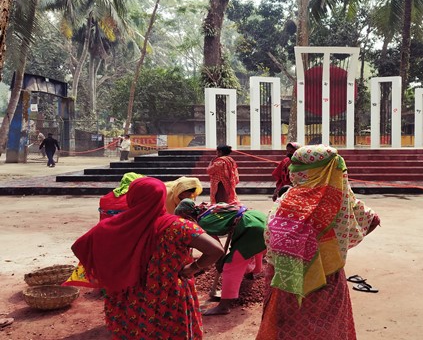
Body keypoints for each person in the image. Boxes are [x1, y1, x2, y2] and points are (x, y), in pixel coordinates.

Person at [71, 177, 225, 339]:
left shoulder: (114, 226)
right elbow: (216, 250)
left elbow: (79, 247)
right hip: (168, 296)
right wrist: (192, 268)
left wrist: (110, 266)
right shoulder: (179, 226)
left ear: (131, 198)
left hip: (127, 296)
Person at [256, 145, 381, 340]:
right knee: (328, 328)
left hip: (287, 280)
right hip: (327, 278)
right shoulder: (342, 199)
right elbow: (373, 220)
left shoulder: (286, 199)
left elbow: (271, 240)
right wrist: (339, 247)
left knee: (289, 330)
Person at [195, 202, 267, 315]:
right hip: (258, 218)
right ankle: (252, 273)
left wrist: (220, 262)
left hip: (251, 228)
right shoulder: (214, 208)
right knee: (250, 250)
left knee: (231, 265)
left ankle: (223, 306)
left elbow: (215, 249)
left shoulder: (202, 222)